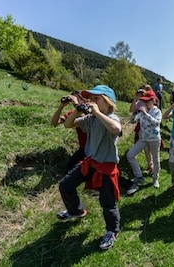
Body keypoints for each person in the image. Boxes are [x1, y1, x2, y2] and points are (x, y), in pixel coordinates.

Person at [57, 85, 122, 251]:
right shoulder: (90, 119)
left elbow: (116, 129)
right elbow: (68, 125)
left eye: (96, 99)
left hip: (106, 166)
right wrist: (77, 112)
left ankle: (112, 231)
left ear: (108, 103)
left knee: (107, 203)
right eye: (90, 99)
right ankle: (76, 210)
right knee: (65, 185)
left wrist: (98, 113)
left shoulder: (111, 117)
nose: (92, 102)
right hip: (90, 162)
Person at [127, 90, 162, 192]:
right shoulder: (142, 111)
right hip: (143, 139)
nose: (145, 103)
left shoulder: (157, 111)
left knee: (156, 159)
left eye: (147, 101)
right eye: (144, 101)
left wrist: (146, 113)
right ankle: (139, 176)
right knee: (130, 155)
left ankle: (155, 178)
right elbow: (132, 121)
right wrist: (134, 114)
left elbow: (156, 123)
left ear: (154, 100)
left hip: (154, 139)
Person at [51, 90, 87, 172]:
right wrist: (61, 106)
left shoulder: (91, 112)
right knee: (69, 169)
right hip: (83, 149)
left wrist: (75, 103)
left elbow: (84, 114)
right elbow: (54, 122)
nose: (74, 101)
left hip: (95, 149)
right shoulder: (73, 114)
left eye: (77, 98)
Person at [129, 86, 154, 176]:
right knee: (145, 148)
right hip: (141, 127)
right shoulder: (139, 102)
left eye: (146, 90)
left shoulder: (151, 102)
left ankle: (152, 167)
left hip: (150, 128)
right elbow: (131, 110)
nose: (143, 92)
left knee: (150, 149)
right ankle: (150, 166)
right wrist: (135, 98)